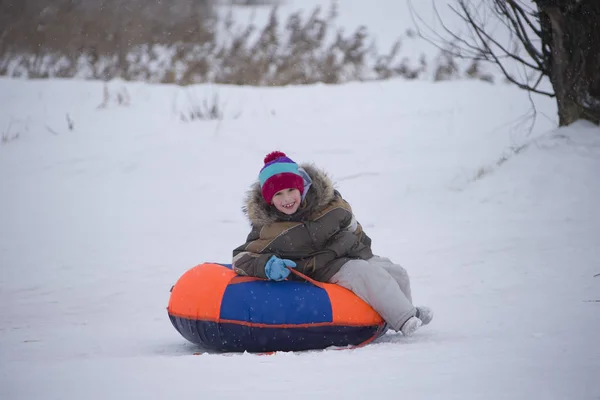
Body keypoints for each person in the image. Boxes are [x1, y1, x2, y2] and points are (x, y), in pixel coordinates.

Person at [232, 151, 433, 336]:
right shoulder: (269, 228)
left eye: (291, 190)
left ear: (301, 187)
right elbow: (241, 257)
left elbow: (351, 225)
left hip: (349, 254)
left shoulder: (327, 205)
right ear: (269, 200)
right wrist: (267, 266)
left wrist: (361, 246)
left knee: (395, 271)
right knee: (363, 272)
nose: (287, 199)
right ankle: (403, 319)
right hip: (322, 268)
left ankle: (407, 310)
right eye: (278, 194)